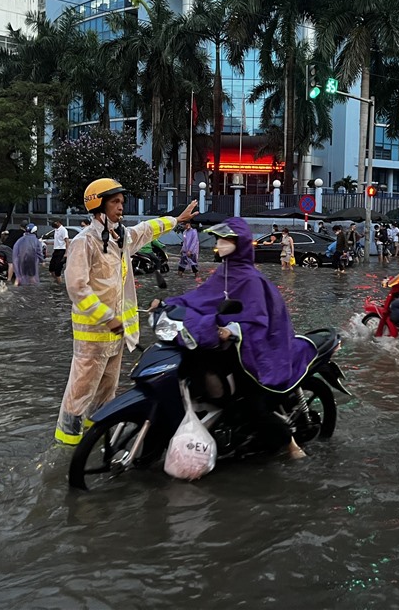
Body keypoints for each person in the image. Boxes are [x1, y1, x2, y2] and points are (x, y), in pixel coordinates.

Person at [159, 218, 316, 459]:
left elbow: (257, 320)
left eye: (226, 240)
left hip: (255, 347)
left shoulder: (252, 280)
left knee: (250, 400)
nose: (220, 244)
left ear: (240, 244)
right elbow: (199, 298)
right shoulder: (223, 272)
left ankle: (290, 444)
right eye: (219, 239)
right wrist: (165, 304)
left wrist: (231, 330)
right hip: (223, 344)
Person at [54, 178, 195, 446]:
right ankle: (65, 446)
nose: (121, 207)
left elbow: (147, 229)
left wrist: (176, 220)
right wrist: (106, 317)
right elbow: (77, 288)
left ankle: (97, 438)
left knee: (107, 394)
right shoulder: (85, 242)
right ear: (98, 205)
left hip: (117, 335)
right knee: (79, 394)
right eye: (115, 202)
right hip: (92, 336)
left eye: (121, 201)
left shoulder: (121, 238)